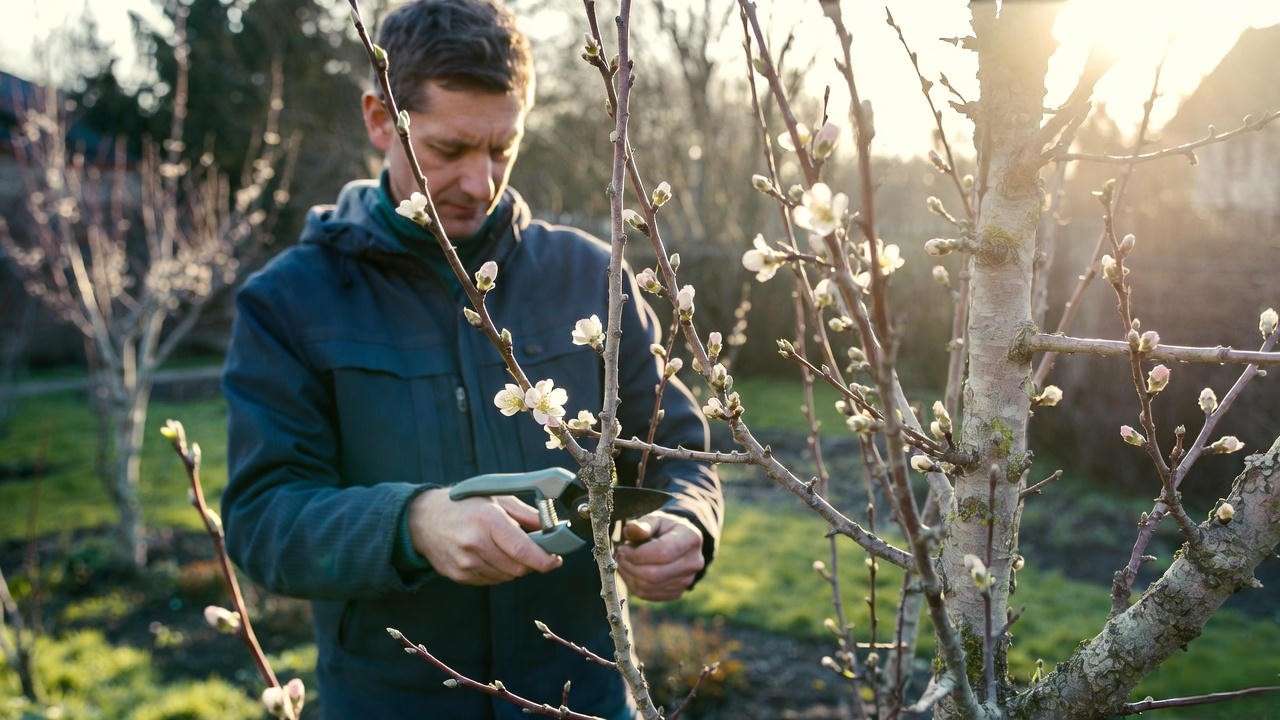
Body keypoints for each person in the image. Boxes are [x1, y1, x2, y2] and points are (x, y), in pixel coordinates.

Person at [219, 1, 723, 718]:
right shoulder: (290, 302)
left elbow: (677, 447)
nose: (481, 183)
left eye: (502, 149)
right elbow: (263, 519)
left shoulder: (591, 277)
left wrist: (687, 520)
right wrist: (411, 523)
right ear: (378, 119)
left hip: (584, 698)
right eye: (450, 151)